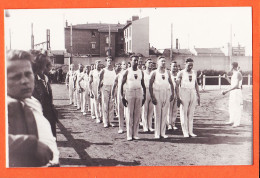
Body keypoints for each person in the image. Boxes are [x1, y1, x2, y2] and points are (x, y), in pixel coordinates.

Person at [7, 50, 59, 167]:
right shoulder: (7, 105)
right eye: (15, 77)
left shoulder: (33, 102)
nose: (24, 81)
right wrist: (30, 144)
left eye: (28, 74)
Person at [31, 52, 58, 138]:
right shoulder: (33, 81)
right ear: (42, 66)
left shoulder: (45, 78)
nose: (50, 67)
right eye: (48, 65)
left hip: (49, 116)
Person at [121, 55, 146, 141]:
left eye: (137, 61)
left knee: (137, 114)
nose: (136, 62)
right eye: (134, 60)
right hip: (130, 92)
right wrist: (122, 97)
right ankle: (129, 134)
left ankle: (135, 134)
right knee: (129, 114)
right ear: (130, 61)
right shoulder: (127, 72)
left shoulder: (141, 72)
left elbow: (143, 85)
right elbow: (121, 84)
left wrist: (144, 96)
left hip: (138, 92)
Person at [149, 56, 174, 139]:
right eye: (161, 61)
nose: (163, 63)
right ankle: (157, 133)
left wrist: (172, 94)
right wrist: (152, 96)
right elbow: (150, 85)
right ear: (157, 63)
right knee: (157, 114)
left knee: (164, 113)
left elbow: (171, 83)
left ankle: (163, 133)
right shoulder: (154, 72)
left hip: (166, 93)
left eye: (164, 61)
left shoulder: (168, 72)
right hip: (157, 93)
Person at [176, 58, 200, 138]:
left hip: (192, 92)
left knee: (191, 113)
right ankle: (185, 132)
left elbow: (196, 84)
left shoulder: (194, 72)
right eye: (189, 65)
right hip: (184, 92)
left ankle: (191, 132)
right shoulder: (181, 73)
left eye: (192, 65)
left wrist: (198, 95)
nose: (190, 67)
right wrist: (178, 97)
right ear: (185, 64)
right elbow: (176, 86)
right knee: (184, 113)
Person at [222, 62, 243, 127]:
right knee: (231, 106)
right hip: (233, 92)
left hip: (237, 92)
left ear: (232, 67)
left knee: (237, 107)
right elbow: (232, 83)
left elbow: (236, 86)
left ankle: (237, 122)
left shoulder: (238, 73)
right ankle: (232, 120)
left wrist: (226, 91)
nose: (229, 68)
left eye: (229, 66)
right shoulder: (234, 74)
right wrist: (227, 78)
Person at [98, 57, 117, 128]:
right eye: (108, 61)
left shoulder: (114, 70)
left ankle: (111, 121)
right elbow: (100, 81)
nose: (109, 62)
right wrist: (98, 90)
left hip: (112, 88)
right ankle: (105, 121)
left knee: (111, 104)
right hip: (105, 88)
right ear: (106, 62)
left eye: (111, 61)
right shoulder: (103, 70)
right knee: (105, 104)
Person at [112, 61, 127, 133]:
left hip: (128, 93)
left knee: (128, 111)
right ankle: (121, 127)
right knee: (120, 110)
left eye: (126, 64)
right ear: (121, 66)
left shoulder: (130, 73)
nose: (125, 65)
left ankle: (129, 126)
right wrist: (112, 94)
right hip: (120, 93)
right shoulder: (118, 75)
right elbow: (114, 85)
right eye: (124, 64)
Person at [141, 59, 155, 132]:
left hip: (152, 91)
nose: (150, 64)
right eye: (149, 63)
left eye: (152, 63)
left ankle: (150, 126)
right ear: (145, 64)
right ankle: (145, 126)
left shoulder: (154, 73)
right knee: (144, 110)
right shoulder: (143, 73)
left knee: (151, 110)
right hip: (145, 91)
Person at [167, 61, 179, 130]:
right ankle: (169, 124)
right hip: (169, 93)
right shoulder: (168, 75)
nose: (174, 68)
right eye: (173, 66)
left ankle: (173, 123)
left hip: (176, 93)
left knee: (175, 110)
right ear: (170, 66)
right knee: (169, 109)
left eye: (176, 66)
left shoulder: (178, 75)